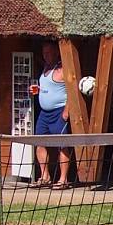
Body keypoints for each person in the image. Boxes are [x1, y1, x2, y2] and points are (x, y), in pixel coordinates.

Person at [32, 40, 72, 190]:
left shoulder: (62, 69)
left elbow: (71, 90)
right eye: (44, 53)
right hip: (44, 114)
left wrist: (66, 111)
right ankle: (45, 176)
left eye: (49, 53)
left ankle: (63, 179)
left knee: (62, 145)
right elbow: (46, 88)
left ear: (56, 52)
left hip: (58, 113)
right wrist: (37, 90)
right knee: (40, 143)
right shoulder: (45, 69)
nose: (46, 55)